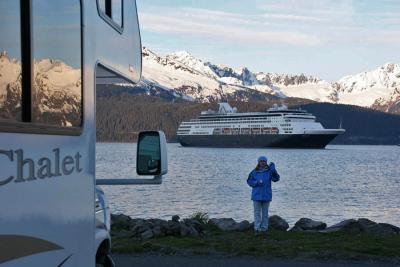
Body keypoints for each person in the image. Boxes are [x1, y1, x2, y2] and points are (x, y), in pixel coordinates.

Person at [246, 156, 280, 234]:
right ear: (258, 162)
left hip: (266, 195)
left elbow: (276, 179)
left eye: (264, 161)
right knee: (257, 213)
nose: (262, 162)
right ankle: (257, 229)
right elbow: (249, 181)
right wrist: (256, 183)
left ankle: (264, 229)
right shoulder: (254, 172)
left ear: (266, 162)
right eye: (261, 161)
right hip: (256, 196)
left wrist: (274, 170)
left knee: (265, 213)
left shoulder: (269, 171)